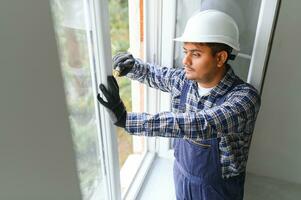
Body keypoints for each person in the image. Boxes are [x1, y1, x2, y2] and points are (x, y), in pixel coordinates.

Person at [97, 10, 261, 200]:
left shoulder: (245, 98)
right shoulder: (185, 81)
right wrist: (131, 66)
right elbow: (155, 74)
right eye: (185, 52)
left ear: (220, 58)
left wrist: (127, 120)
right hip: (182, 174)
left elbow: (201, 123)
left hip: (217, 190)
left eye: (196, 54)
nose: (186, 61)